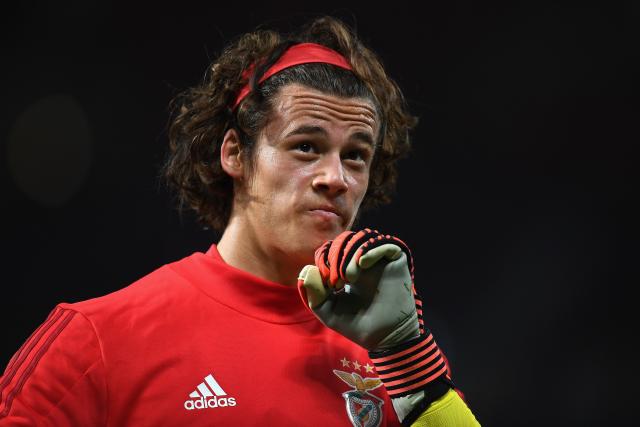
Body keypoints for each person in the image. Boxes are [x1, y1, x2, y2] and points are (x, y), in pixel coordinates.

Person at [0, 16, 480, 426]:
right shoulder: (97, 341)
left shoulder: (395, 361)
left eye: (355, 155)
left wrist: (406, 357)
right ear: (234, 153)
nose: (336, 178)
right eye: (306, 146)